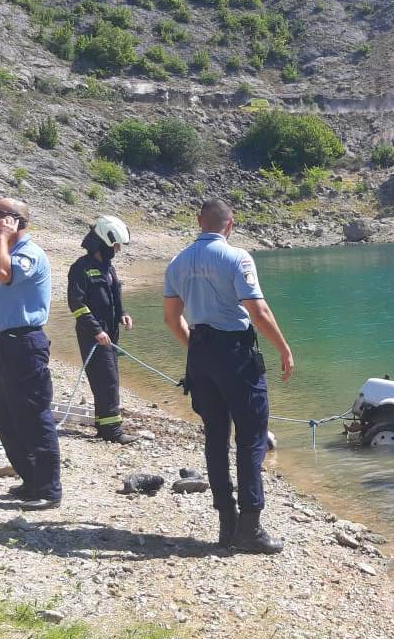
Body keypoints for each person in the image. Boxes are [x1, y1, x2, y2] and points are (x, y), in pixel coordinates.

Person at [162, 199, 294, 554]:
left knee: (215, 438)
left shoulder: (177, 262)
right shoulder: (238, 257)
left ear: (198, 222)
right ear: (229, 225)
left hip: (200, 354)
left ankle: (227, 524)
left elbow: (172, 319)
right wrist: (283, 348)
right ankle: (250, 527)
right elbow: (258, 309)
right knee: (251, 438)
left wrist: (198, 349)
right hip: (235, 353)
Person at [0, 198, 61, 510]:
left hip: (25, 345)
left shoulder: (27, 252)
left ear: (15, 221)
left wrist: (2, 238)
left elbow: (4, 275)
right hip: (6, 342)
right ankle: (31, 481)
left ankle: (49, 490)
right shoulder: (8, 251)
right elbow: (11, 299)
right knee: (5, 416)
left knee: (33, 416)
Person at [67, 215, 136, 445]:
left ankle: (103, 424)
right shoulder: (81, 268)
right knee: (107, 380)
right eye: (115, 246)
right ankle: (112, 431)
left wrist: (124, 314)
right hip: (93, 334)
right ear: (103, 243)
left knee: (107, 377)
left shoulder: (108, 268)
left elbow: (115, 296)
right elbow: (76, 304)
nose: (117, 250)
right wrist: (96, 330)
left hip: (109, 331)